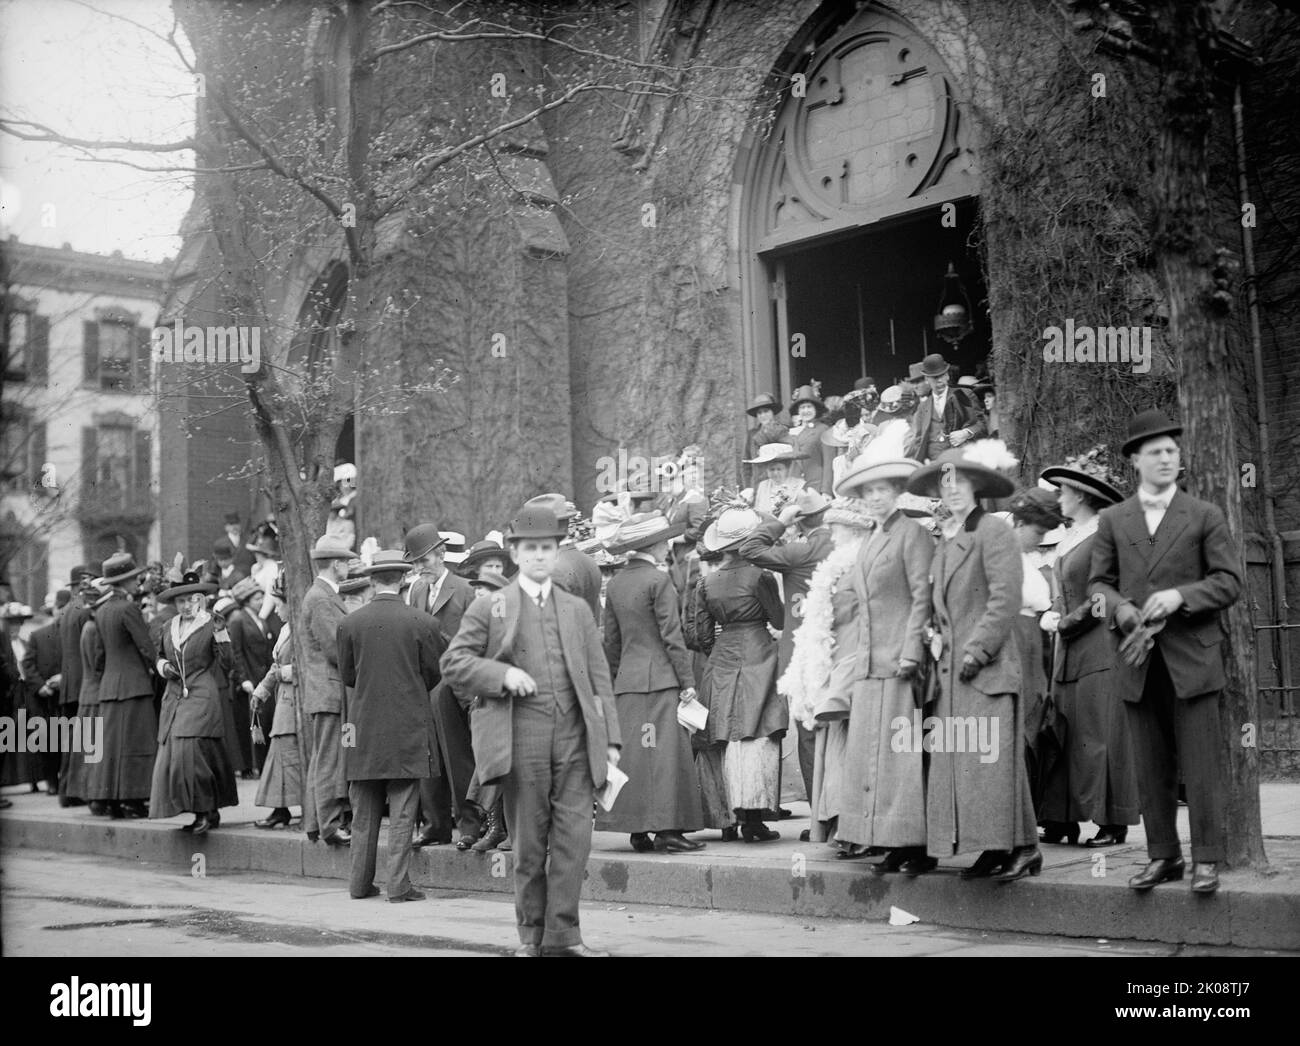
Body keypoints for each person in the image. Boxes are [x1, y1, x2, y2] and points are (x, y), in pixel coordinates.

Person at [442, 504, 621, 957]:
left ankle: (566, 936)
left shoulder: (577, 609)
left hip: (576, 740)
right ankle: (531, 939)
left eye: (548, 548)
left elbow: (599, 676)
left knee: (574, 843)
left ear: (556, 552)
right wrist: (499, 676)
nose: (540, 556)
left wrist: (612, 740)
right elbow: (454, 664)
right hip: (522, 738)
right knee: (528, 846)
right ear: (515, 555)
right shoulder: (491, 605)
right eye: (531, 549)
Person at [1089, 410, 1242, 895]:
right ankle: (1163, 856)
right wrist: (1119, 611)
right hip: (1137, 659)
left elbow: (1230, 582)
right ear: (1135, 460)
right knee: (1150, 767)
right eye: (1154, 451)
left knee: (1200, 766)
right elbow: (1097, 586)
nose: (1165, 458)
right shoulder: (1113, 520)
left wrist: (1182, 597)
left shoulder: (1204, 515)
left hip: (1192, 657)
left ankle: (1207, 860)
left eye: (1171, 451)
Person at [907, 439, 1041, 882]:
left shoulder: (994, 532)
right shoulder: (950, 539)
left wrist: (978, 649)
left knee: (994, 762)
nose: (953, 491)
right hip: (953, 671)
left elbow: (1004, 599)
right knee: (974, 763)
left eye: (961, 483)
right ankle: (997, 846)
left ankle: (1021, 846)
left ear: (977, 488)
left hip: (986, 666)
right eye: (946, 485)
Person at [831, 420, 933, 871]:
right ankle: (880, 838)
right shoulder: (870, 540)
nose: (875, 497)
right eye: (868, 492)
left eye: (883, 490)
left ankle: (912, 843)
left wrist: (912, 651)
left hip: (900, 659)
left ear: (898, 491)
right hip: (869, 663)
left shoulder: (912, 534)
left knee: (900, 755)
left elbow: (922, 597)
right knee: (872, 753)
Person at [1038, 459, 1138, 848]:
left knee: (1101, 734)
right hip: (1070, 652)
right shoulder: (1072, 536)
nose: (1059, 498)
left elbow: (1104, 595)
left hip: (1098, 648)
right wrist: (1053, 614)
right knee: (1066, 732)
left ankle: (1114, 822)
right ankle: (1062, 818)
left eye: (1063, 492)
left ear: (1079, 495)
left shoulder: (1102, 537)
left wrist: (1064, 622)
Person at [337, 550, 446, 902]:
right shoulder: (423, 623)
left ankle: (358, 883)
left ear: (371, 581)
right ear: (402, 579)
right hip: (407, 725)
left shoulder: (349, 624)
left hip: (362, 727)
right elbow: (433, 673)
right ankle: (398, 886)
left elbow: (348, 675)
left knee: (363, 811)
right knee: (403, 809)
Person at [598, 511, 706, 853]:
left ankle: (637, 830)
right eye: (665, 542)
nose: (668, 547)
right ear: (654, 545)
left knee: (634, 755)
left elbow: (611, 642)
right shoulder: (658, 582)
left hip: (628, 681)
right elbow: (671, 637)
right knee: (665, 755)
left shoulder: (615, 584)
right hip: (660, 678)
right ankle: (668, 831)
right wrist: (687, 681)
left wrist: (615, 679)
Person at [777, 496, 875, 849]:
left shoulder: (863, 564)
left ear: (853, 531)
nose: (832, 536)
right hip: (835, 665)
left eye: (837, 529)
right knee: (837, 748)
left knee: (853, 747)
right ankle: (842, 825)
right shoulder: (838, 565)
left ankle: (857, 828)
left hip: (854, 665)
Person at [737, 487, 833, 830]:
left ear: (801, 521)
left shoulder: (800, 550)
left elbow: (750, 549)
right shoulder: (836, 545)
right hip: (837, 649)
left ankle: (822, 816)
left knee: (809, 734)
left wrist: (779, 521)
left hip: (804, 654)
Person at [690, 507, 786, 843]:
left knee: (720, 734)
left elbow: (701, 635)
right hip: (758, 651)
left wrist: (719, 648)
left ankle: (726, 818)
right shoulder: (761, 576)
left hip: (722, 656)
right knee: (757, 731)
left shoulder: (707, 581)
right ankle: (754, 820)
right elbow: (779, 620)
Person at [402, 522, 480, 850]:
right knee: (428, 757)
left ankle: (469, 825)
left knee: (458, 756)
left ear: (442, 555)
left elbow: (476, 639)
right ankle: (435, 825)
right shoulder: (417, 591)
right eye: (416, 563)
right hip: (426, 685)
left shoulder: (465, 590)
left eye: (426, 561)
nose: (421, 568)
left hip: (456, 685)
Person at [149, 570, 239, 834]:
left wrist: (222, 634)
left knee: (190, 750)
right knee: (180, 753)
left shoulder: (212, 623)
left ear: (200, 599)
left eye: (191, 600)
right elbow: (158, 656)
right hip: (175, 697)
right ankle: (206, 811)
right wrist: (163, 666)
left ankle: (204, 811)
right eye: (181, 601)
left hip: (201, 693)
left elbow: (228, 663)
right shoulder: (169, 627)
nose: (186, 605)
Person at [88, 554, 158, 819]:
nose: (137, 582)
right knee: (135, 744)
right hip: (134, 686)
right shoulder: (129, 609)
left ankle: (112, 800)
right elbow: (145, 645)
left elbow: (99, 657)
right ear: (125, 581)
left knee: (112, 747)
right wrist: (159, 666)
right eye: (134, 579)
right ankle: (134, 799)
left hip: (110, 688)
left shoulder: (102, 611)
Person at [300, 535, 355, 846]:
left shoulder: (321, 594)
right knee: (329, 759)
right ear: (336, 564)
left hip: (325, 690)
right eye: (346, 562)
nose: (348, 566)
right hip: (330, 691)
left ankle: (316, 822)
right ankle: (330, 825)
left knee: (323, 757)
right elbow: (337, 649)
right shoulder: (322, 599)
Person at [226, 576, 284, 776]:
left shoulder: (260, 620)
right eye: (257, 598)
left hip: (262, 678)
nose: (261, 601)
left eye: (261, 598)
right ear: (247, 600)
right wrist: (243, 679)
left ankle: (263, 763)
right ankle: (250, 765)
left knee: (264, 721)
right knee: (252, 724)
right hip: (249, 679)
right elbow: (236, 651)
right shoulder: (238, 620)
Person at [57, 563, 99, 805]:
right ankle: (81, 792)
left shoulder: (68, 609)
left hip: (70, 684)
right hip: (84, 682)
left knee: (73, 743)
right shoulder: (85, 610)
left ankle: (68, 792)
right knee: (86, 744)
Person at [904, 353, 987, 463]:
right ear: (927, 379)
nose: (939, 381)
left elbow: (981, 425)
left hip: (961, 461)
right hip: (934, 465)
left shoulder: (964, 395)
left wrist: (966, 433)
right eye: (934, 378)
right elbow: (917, 440)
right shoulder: (923, 407)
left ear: (947, 376)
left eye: (942, 375)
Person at [21, 593, 66, 793]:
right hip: (46, 699)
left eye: (66, 607)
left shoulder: (77, 633)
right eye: (59, 608)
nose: (62, 612)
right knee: (48, 740)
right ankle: (52, 782)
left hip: (68, 694)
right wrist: (42, 686)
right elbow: (27, 664)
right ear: (53, 610)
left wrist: (64, 679)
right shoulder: (38, 635)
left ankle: (65, 783)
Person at [786, 385, 831, 494]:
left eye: (809, 407)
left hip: (816, 486)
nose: (806, 411)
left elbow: (828, 462)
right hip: (797, 488)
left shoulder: (823, 430)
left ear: (816, 409)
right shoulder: (795, 432)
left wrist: (826, 491)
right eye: (802, 407)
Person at [742, 393, 790, 488]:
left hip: (781, 483)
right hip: (759, 484)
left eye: (766, 411)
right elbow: (746, 465)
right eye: (760, 413)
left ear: (773, 412)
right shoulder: (751, 435)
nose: (763, 415)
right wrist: (748, 488)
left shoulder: (784, 431)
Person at [744, 443, 807, 515]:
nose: (775, 473)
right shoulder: (763, 485)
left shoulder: (798, 485)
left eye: (779, 469)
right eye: (772, 469)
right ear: (766, 470)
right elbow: (758, 510)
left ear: (787, 469)